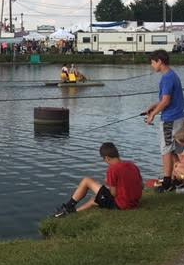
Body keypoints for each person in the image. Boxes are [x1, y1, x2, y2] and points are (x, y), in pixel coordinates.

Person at [53, 142, 143, 217]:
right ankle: (72, 213)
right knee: (95, 199)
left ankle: (68, 206)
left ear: (107, 158)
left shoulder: (113, 169)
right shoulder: (132, 165)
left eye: (104, 159)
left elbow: (113, 194)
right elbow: (141, 186)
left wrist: (109, 184)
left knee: (87, 181)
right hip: (134, 203)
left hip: (122, 205)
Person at [145, 49, 184, 192]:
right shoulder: (172, 75)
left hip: (170, 120)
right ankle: (178, 177)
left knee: (166, 150)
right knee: (175, 150)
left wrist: (153, 114)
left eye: (153, 63)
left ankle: (167, 183)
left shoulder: (167, 78)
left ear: (159, 61)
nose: (152, 66)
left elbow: (166, 101)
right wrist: (154, 106)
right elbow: (166, 99)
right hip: (178, 117)